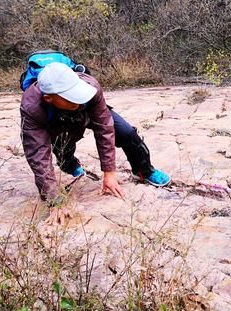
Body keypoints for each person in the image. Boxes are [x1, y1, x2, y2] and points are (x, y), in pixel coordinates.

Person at [20, 62, 170, 223]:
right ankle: (69, 165)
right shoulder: (31, 107)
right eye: (70, 97)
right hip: (55, 121)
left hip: (87, 114)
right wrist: (54, 201)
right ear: (49, 98)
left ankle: (144, 171)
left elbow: (104, 128)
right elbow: (38, 155)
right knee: (64, 144)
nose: (77, 99)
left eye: (76, 92)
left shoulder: (90, 87)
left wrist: (109, 172)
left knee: (126, 133)